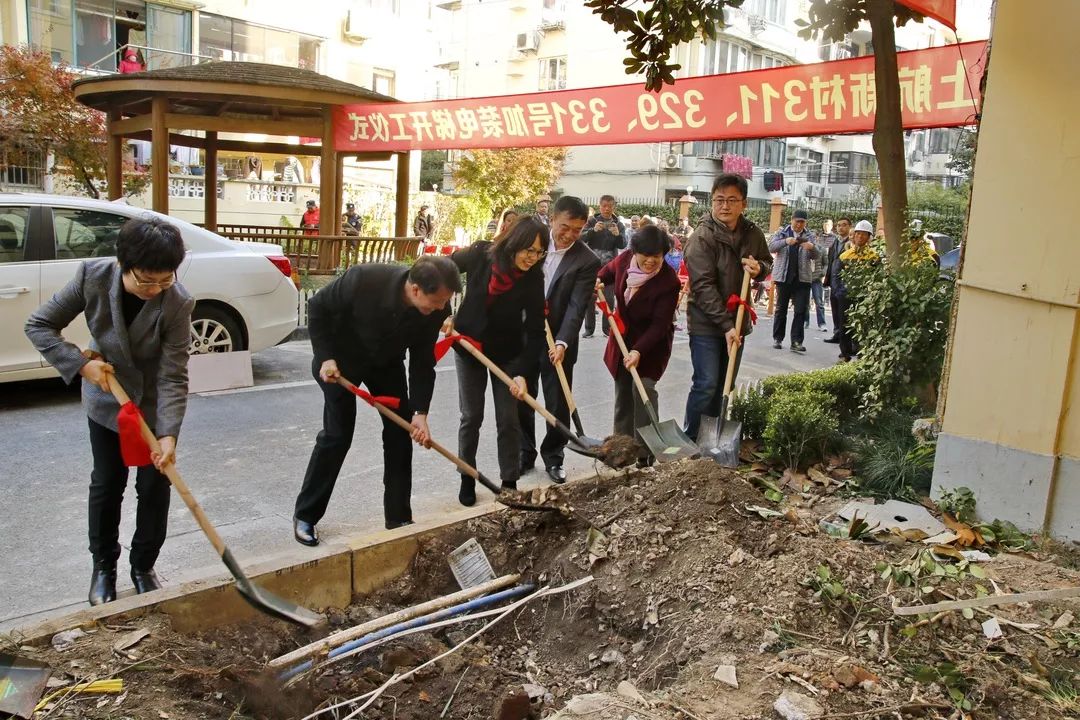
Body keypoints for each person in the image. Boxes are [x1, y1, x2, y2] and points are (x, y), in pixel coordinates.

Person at [24, 217, 194, 605]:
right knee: (107, 483)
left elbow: (173, 374)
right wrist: (81, 364)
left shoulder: (178, 301)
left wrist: (168, 433)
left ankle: (143, 566)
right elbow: (40, 325)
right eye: (145, 281)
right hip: (106, 400)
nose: (154, 290)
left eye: (164, 280)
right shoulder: (93, 277)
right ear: (122, 263)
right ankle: (104, 567)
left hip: (151, 403)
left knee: (154, 486)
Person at [292, 257, 461, 546]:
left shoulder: (436, 307)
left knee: (399, 434)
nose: (441, 308)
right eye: (436, 301)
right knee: (338, 435)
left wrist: (420, 411)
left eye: (444, 302)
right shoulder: (364, 279)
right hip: (340, 363)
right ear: (416, 289)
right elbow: (317, 308)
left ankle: (399, 519)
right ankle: (305, 515)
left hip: (386, 364)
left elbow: (422, 360)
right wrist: (326, 356)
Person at [450, 217, 547, 506]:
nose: (533, 258)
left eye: (539, 252)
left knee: (508, 418)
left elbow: (535, 330)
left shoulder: (533, 277)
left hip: (507, 354)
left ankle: (509, 480)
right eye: (528, 250)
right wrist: (442, 311)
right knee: (471, 417)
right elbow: (440, 270)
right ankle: (467, 475)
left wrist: (523, 374)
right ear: (514, 242)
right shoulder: (480, 254)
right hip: (469, 347)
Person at [682, 174, 772, 441]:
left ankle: (713, 438)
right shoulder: (702, 237)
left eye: (732, 200)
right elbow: (703, 287)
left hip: (738, 320)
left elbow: (767, 262)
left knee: (725, 384)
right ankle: (693, 437)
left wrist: (760, 269)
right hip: (706, 322)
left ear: (743, 203)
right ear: (712, 201)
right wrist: (725, 326)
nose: (725, 206)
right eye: (719, 200)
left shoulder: (752, 233)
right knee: (707, 384)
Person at [518, 196, 600, 484]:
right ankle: (523, 454)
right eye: (565, 227)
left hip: (559, 341)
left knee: (558, 402)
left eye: (577, 230)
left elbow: (578, 306)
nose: (570, 235)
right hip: (526, 336)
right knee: (523, 397)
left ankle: (554, 456)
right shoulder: (532, 244)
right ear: (552, 219)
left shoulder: (587, 259)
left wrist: (563, 342)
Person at [597, 225, 681, 462]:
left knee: (643, 389)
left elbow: (659, 325)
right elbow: (607, 271)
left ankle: (645, 452)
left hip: (651, 346)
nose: (652, 261)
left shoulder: (669, 282)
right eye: (647, 256)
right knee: (623, 393)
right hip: (622, 339)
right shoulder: (625, 260)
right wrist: (599, 281)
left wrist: (638, 350)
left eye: (658, 256)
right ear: (635, 252)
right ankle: (621, 450)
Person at [768, 208, 819, 353]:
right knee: (780, 309)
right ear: (792, 220)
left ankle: (796, 341)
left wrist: (811, 248)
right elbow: (771, 247)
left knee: (800, 311)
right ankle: (777, 338)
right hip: (783, 277)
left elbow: (817, 255)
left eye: (802, 222)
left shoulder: (809, 235)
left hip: (802, 279)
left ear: (805, 223)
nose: (799, 225)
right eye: (797, 221)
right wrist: (785, 241)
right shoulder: (782, 233)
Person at [831, 220, 878, 362]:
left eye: (864, 234)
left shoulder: (874, 257)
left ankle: (861, 352)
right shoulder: (845, 255)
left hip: (864, 297)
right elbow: (836, 275)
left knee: (862, 326)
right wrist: (839, 292)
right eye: (858, 233)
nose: (860, 237)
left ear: (869, 237)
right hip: (845, 296)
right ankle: (844, 352)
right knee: (843, 324)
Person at [581, 195, 626, 338]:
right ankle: (589, 329)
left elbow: (623, 244)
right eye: (604, 206)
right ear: (599, 206)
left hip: (610, 265)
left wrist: (618, 235)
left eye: (610, 206)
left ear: (614, 207)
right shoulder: (591, 221)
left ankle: (607, 328)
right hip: (592, 264)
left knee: (609, 298)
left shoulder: (618, 224)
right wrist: (592, 231)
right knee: (590, 297)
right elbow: (581, 238)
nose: (607, 209)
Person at [823, 217, 852, 344]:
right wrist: (827, 277)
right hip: (834, 280)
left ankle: (844, 338)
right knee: (835, 309)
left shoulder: (851, 243)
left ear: (850, 227)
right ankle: (837, 333)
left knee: (843, 311)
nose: (841, 227)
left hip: (844, 282)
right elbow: (830, 259)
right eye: (839, 225)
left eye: (844, 225)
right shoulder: (835, 241)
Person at [807, 218, 836, 332]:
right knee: (805, 303)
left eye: (815, 238)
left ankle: (822, 323)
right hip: (806, 278)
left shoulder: (822, 249)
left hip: (817, 279)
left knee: (819, 302)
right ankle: (805, 321)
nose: (813, 239)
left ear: (817, 238)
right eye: (811, 238)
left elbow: (826, 263)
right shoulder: (805, 249)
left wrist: (823, 273)